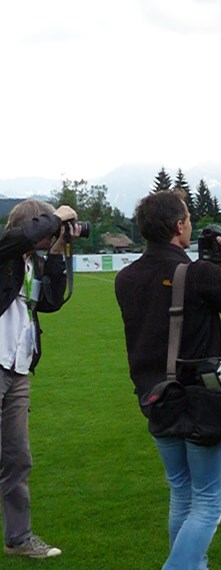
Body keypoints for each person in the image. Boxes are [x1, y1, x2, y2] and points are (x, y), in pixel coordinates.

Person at [115, 191, 221, 568]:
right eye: (188, 219)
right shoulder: (197, 274)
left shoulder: (125, 278)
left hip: (156, 398)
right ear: (179, 226)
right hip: (201, 400)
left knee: (182, 493)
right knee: (209, 502)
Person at [0, 200, 79, 559]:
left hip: (17, 369)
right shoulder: (5, 253)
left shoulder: (31, 263)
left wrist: (60, 248)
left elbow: (49, 301)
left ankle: (18, 539)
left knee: (18, 458)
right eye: (46, 228)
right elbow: (20, 240)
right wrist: (56, 218)